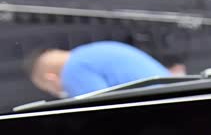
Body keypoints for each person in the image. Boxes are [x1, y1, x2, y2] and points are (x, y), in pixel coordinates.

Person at [23, 41, 169, 98]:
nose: (56, 93)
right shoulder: (91, 52)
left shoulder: (72, 71)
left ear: (51, 79)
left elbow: (98, 109)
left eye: (49, 90)